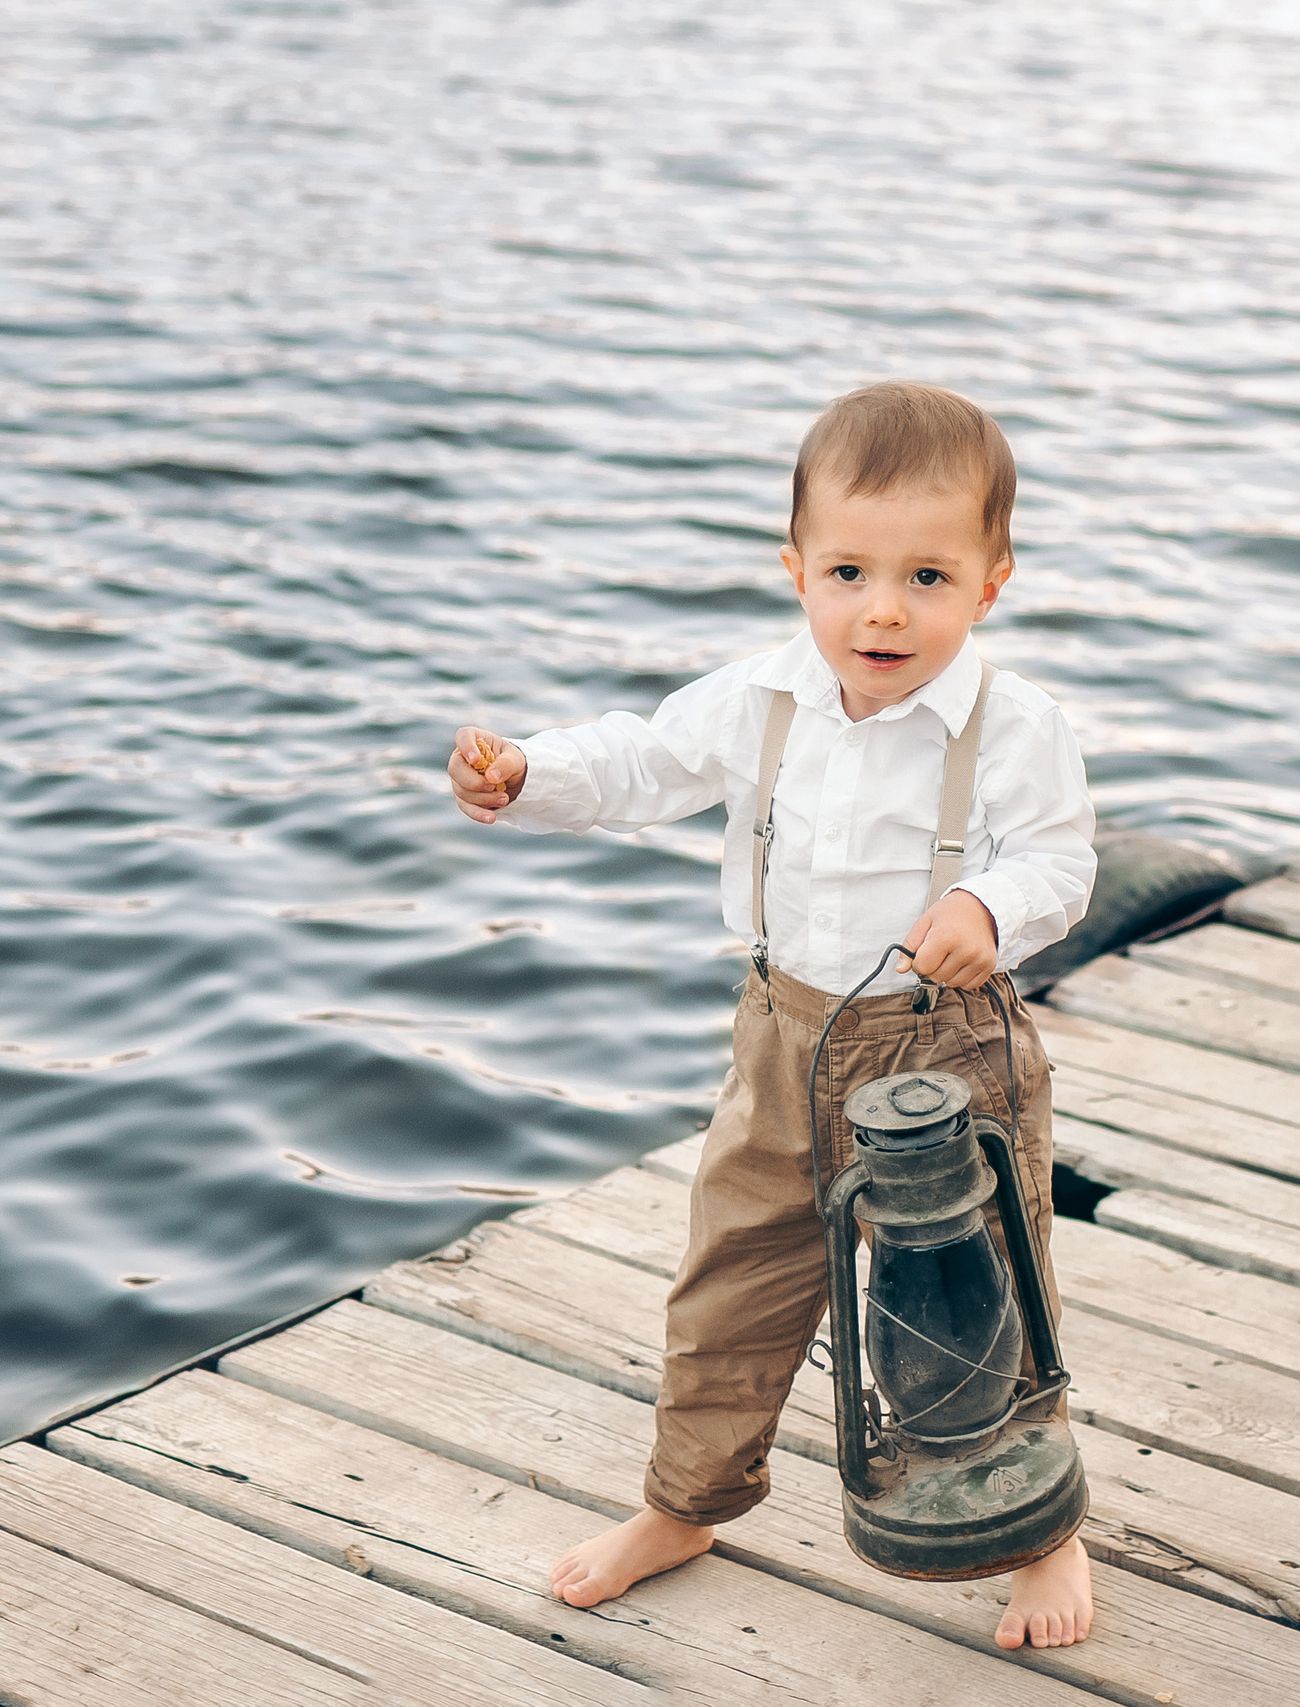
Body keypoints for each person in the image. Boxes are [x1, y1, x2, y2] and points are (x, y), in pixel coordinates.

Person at [445, 381, 1098, 1651]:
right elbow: (645, 763)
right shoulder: (764, 698)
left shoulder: (1015, 727)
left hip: (942, 1052)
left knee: (973, 1296)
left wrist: (988, 899)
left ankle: (1037, 1532)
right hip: (783, 1035)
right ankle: (687, 1503)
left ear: (992, 580)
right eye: (849, 570)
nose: (884, 608)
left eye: (927, 576)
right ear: (796, 568)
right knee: (730, 1281)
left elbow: (1059, 864)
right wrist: (530, 773)